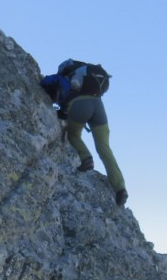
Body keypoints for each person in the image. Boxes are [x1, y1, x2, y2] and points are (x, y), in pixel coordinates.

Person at [41, 59, 128, 206]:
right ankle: (121, 189)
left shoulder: (65, 78)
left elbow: (46, 82)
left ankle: (86, 159)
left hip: (80, 105)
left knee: (73, 135)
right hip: (99, 107)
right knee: (104, 148)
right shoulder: (86, 81)